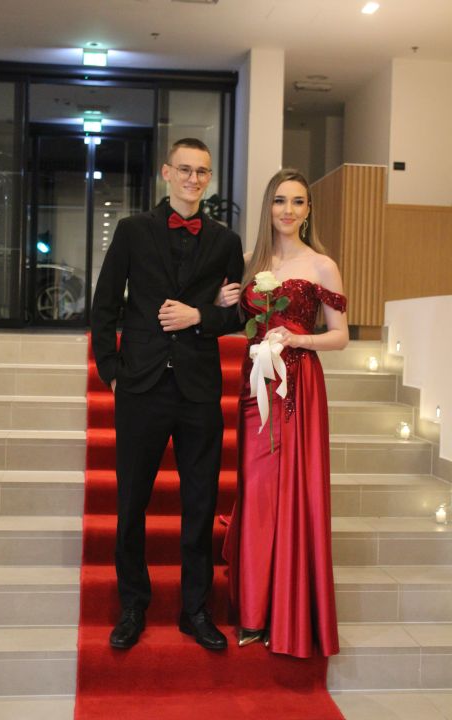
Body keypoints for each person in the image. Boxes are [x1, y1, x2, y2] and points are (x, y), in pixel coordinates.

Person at [91, 138, 244, 652]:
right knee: (131, 503)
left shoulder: (225, 241)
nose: (193, 179)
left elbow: (236, 313)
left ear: (209, 179)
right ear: (166, 172)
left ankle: (195, 610)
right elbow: (105, 304)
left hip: (199, 390)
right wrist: (111, 371)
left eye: (202, 172)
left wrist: (201, 315)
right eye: (185, 169)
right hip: (141, 385)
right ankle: (133, 605)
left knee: (200, 504)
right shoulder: (133, 231)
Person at [220, 168, 348, 657]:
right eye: (279, 200)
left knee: (293, 493)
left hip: (299, 387)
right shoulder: (250, 263)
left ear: (308, 210)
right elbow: (237, 321)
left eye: (297, 201)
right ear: (267, 207)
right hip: (255, 387)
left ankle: (288, 613)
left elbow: (340, 336)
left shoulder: (322, 265)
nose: (287, 210)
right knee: (257, 494)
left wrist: (298, 339)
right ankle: (254, 612)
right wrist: (224, 301)